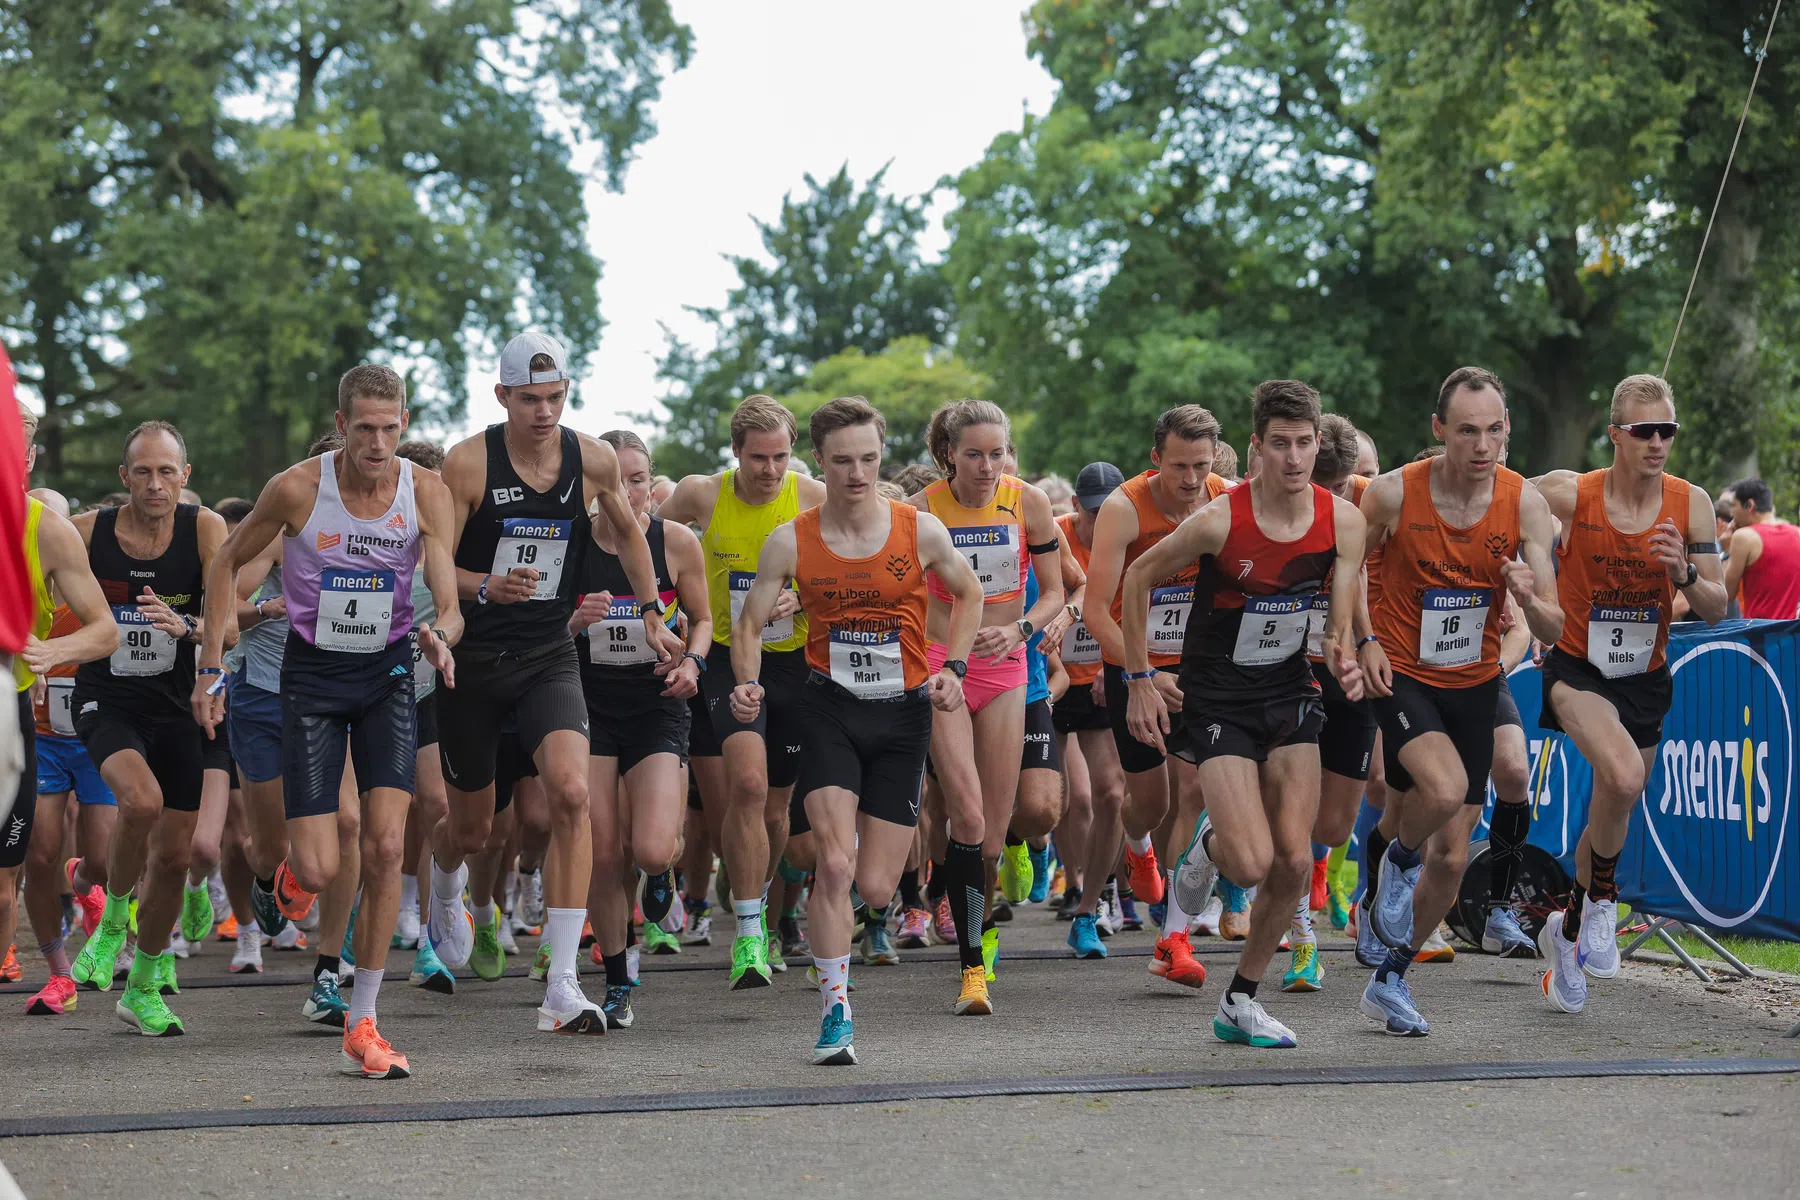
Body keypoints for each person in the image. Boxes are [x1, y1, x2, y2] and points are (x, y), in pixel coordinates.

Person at [195, 365, 461, 1077]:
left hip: (389, 678)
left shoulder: (425, 492)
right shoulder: (297, 489)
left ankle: (364, 1019)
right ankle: (289, 881)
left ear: (403, 424)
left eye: (390, 427)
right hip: (311, 679)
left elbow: (448, 595)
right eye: (364, 427)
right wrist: (209, 663)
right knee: (317, 863)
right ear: (342, 425)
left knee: (381, 849)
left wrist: (442, 635)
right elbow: (224, 563)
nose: (378, 442)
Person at [432, 331, 680, 1034]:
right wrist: (486, 589)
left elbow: (632, 535)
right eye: (530, 399)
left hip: (548, 654)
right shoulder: (467, 463)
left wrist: (656, 613)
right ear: (502, 396)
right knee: (475, 828)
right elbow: (437, 566)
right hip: (476, 662)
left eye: (557, 398)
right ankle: (446, 880)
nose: (544, 412)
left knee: (573, 797)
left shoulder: (591, 458)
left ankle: (565, 983)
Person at [730, 395, 981, 1059]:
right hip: (828, 709)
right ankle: (835, 1010)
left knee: (875, 886)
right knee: (836, 865)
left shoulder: (918, 531)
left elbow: (971, 592)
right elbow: (751, 622)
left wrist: (952, 665)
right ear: (820, 462)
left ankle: (841, 918)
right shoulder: (791, 539)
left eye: (869, 458)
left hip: (902, 715)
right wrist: (748, 680)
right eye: (843, 461)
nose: (859, 472)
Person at [1123, 381, 1366, 1046]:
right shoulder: (1220, 521)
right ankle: (1207, 845)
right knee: (1253, 864)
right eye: (1280, 444)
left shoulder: (1342, 519)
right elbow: (1138, 578)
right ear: (1256, 447)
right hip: (1218, 702)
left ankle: (1240, 999)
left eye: (1305, 444)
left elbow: (1344, 591)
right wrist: (1142, 676)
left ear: (1319, 444)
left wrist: (1348, 646)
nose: (1294, 458)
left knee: (1295, 860)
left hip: (1291, 694)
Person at [1355, 367, 1562, 1036]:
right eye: (1467, 430)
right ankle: (1394, 863)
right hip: (1404, 670)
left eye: (1494, 430)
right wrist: (1361, 640)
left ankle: (1391, 980)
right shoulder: (1391, 494)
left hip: (1474, 679)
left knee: (1452, 856)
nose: (1482, 444)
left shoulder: (1524, 502)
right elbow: (1347, 570)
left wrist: (1530, 598)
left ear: (1507, 432)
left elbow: (1556, 626)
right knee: (1440, 790)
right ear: (1439, 430)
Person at [1531, 375, 1727, 1013]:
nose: (1657, 442)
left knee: (1612, 809)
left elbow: (1717, 606)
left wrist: (1684, 573)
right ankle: (1604, 903)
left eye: (1667, 430)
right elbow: (1500, 500)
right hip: (1577, 668)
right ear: (1615, 434)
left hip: (1645, 675)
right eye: (1644, 430)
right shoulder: (1573, 492)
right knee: (1618, 777)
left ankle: (1565, 933)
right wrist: (1534, 570)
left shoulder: (1691, 503)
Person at [66, 421, 229, 1036]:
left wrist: (186, 630)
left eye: (167, 472)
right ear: (123, 477)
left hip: (178, 707)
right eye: (143, 471)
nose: (155, 484)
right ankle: (111, 929)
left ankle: (143, 984)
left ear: (185, 476)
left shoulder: (204, 529)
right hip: (107, 701)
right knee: (140, 800)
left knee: (176, 855)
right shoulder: (88, 534)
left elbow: (227, 629)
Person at [658, 396, 825, 988]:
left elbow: (856, 555)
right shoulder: (702, 494)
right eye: (759, 458)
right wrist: (664, 613)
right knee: (747, 786)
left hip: (797, 662)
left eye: (782, 457)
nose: (771, 470)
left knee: (778, 806)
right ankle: (750, 934)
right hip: (728, 658)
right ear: (736, 452)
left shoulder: (811, 498)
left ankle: (766, 903)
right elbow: (652, 546)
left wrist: (803, 596)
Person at [906, 399, 1063, 1012]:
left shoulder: (1030, 503)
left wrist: (1022, 629)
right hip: (944, 664)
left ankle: (982, 925)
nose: (987, 466)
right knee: (964, 814)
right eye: (973, 454)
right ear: (948, 453)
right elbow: (906, 594)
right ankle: (971, 970)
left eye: (997, 453)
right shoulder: (919, 512)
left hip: (1005, 664)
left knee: (992, 837)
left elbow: (1054, 592)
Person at [1076, 406, 1230, 958]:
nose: (1191, 480)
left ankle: (1175, 935)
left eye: (1201, 466)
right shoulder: (1124, 509)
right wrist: (1143, 672)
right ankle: (1136, 841)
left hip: (1200, 673)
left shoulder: (1224, 497)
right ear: (1154, 460)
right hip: (1135, 667)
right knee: (1150, 802)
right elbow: (1096, 613)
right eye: (1178, 467)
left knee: (1193, 790)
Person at [572, 430, 710, 1029]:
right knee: (604, 855)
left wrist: (692, 662)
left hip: (657, 702)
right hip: (589, 704)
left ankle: (664, 873)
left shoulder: (674, 542)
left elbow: (703, 620)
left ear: (652, 483)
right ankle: (618, 978)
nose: (628, 492)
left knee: (651, 847)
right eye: (616, 479)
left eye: (638, 479)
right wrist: (574, 621)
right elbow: (540, 626)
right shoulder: (573, 544)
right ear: (594, 486)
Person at [5, 402, 119, 1015]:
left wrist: (49, 651)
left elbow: (105, 632)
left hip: (49, 724)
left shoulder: (46, 532)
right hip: (44, 734)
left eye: (17, 447)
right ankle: (60, 973)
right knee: (39, 853)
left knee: (87, 858)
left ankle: (87, 897)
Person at [1293, 412, 1375, 990]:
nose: (1336, 497)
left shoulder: (1374, 502)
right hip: (1290, 669)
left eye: (1344, 485)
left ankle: (1320, 868)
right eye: (1328, 487)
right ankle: (1301, 936)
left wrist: (1364, 642)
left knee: (1336, 821)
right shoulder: (1280, 500)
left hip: (1350, 669)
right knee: (1294, 809)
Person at [1053, 462, 1122, 958]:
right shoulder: (1053, 535)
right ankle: (1067, 875)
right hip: (1053, 677)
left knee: (1109, 794)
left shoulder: (1127, 535)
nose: (1104, 520)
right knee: (1059, 801)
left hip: (1100, 679)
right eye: (1095, 512)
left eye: (1111, 509)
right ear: (1077, 507)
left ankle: (1090, 905)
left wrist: (1112, 660)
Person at [1723, 478, 1800, 620]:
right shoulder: (1797, 533)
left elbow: (1726, 594)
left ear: (1749, 505)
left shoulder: (1744, 537)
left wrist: (1727, 550)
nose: (1732, 514)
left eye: (1734, 506)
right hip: (1792, 633)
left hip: (1759, 634)